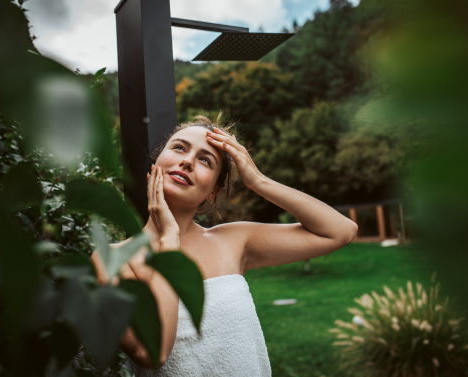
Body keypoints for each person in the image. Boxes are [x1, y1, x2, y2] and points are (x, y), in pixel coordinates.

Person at [91, 115, 358, 376]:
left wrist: (258, 181)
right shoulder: (112, 259)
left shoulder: (234, 241)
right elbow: (153, 353)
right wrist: (169, 239)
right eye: (179, 148)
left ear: (212, 192)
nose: (187, 161)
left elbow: (340, 232)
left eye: (205, 160)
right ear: (156, 163)